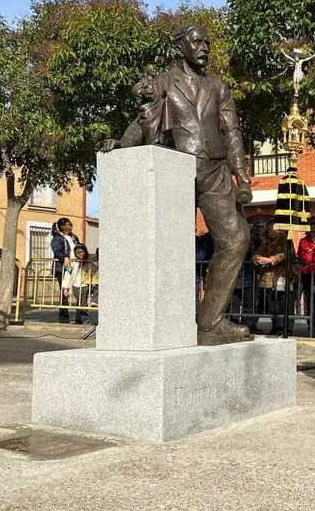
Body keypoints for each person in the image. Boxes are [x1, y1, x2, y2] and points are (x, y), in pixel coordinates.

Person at [99, 25, 252, 342]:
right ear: (180, 47)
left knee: (237, 238)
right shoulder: (162, 83)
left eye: (207, 43)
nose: (204, 48)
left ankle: (209, 323)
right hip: (177, 170)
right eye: (196, 42)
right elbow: (145, 119)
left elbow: (232, 131)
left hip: (215, 169)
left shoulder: (218, 87)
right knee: (172, 248)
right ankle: (170, 321)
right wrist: (124, 144)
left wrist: (242, 174)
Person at [253, 219, 291, 336]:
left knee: (282, 303)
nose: (271, 231)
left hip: (281, 275)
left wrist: (271, 259)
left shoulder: (285, 240)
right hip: (267, 278)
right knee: (271, 304)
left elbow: (285, 254)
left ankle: (283, 328)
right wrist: (257, 258)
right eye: (270, 228)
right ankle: (275, 327)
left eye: (274, 228)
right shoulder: (265, 241)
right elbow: (256, 253)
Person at [297, 216, 315, 336]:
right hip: (307, 275)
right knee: (310, 302)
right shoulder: (303, 241)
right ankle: (311, 328)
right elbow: (299, 258)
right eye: (312, 223)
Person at [50, 217, 80, 324]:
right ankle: (64, 318)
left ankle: (80, 317)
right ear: (61, 226)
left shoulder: (74, 237)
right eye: (66, 225)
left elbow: (79, 248)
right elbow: (56, 250)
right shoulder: (57, 237)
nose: (69, 226)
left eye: (70, 224)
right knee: (64, 292)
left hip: (75, 266)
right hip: (62, 267)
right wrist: (64, 257)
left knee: (79, 291)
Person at [60, 244, 97, 326]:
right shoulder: (72, 262)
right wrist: (65, 288)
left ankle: (82, 320)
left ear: (85, 251)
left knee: (82, 302)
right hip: (75, 285)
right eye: (78, 252)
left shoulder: (89, 261)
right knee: (81, 302)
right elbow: (67, 274)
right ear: (75, 253)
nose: (80, 253)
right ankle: (82, 319)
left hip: (86, 285)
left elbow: (94, 271)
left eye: (82, 251)